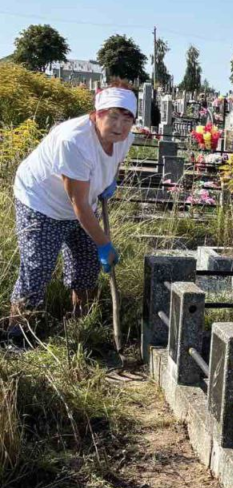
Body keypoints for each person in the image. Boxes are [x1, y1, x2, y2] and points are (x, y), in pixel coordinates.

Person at [6, 82, 136, 344]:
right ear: (97, 113)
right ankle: (18, 334)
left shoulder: (125, 137)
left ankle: (79, 323)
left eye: (127, 119)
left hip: (83, 202)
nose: (119, 126)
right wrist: (104, 244)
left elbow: (114, 161)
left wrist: (110, 180)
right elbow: (79, 204)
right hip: (42, 202)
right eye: (113, 116)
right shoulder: (74, 140)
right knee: (38, 268)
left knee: (87, 264)